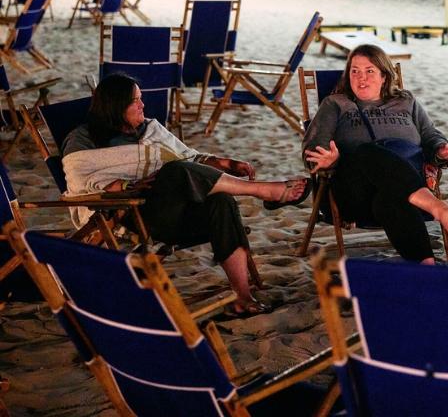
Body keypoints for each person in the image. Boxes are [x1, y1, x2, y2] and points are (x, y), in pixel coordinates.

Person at [62, 73, 311, 316]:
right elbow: (79, 181)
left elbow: (189, 158)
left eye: (141, 98)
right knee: (175, 171)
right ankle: (264, 191)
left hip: (174, 215)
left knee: (220, 201)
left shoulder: (150, 129)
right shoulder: (84, 139)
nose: (143, 105)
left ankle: (242, 298)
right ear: (116, 107)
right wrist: (128, 186)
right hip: (134, 219)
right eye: (135, 101)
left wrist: (225, 163)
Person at [301, 44, 448, 264]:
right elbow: (311, 150)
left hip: (402, 192)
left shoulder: (405, 101)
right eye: (355, 71)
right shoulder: (335, 104)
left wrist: (442, 151)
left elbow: (430, 136)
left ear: (384, 75)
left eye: (369, 71)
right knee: (367, 151)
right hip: (354, 193)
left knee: (391, 196)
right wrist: (329, 161)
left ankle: (427, 269)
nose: (361, 78)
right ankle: (439, 208)